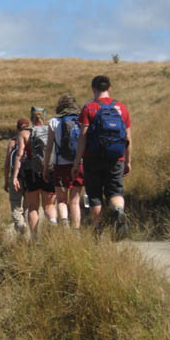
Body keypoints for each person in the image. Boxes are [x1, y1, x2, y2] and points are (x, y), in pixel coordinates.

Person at [71, 75, 132, 236]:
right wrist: (127, 161)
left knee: (95, 194)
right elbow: (128, 138)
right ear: (109, 88)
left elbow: (82, 136)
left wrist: (77, 162)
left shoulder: (89, 107)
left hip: (93, 158)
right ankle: (118, 210)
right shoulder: (121, 107)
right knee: (115, 192)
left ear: (93, 89)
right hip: (116, 157)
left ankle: (98, 229)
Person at [12, 106, 57, 239]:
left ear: (31, 118)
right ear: (44, 117)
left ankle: (34, 236)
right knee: (49, 205)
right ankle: (53, 223)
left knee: (33, 207)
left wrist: (15, 176)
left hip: (31, 173)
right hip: (48, 171)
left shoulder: (24, 133)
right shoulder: (51, 130)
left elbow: (19, 155)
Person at [43, 93, 84, 229]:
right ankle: (76, 231)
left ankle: (65, 224)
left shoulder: (54, 122)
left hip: (60, 165)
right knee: (75, 201)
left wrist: (46, 168)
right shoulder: (81, 120)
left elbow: (49, 148)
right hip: (78, 164)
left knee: (61, 200)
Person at [4, 118, 29, 235]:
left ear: (17, 128)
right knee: (28, 207)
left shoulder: (13, 142)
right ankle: (29, 230)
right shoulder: (31, 139)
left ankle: (21, 229)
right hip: (29, 177)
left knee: (16, 207)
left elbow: (7, 164)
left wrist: (6, 181)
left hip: (16, 177)